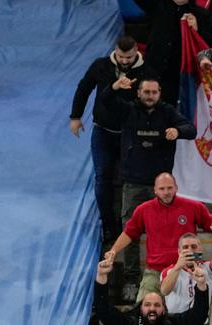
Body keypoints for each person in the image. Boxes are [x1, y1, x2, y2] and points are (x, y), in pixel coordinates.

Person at [99, 79, 194, 294]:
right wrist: (113, 86)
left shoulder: (168, 112)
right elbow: (105, 102)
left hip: (159, 187)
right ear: (139, 93)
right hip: (133, 183)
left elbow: (192, 129)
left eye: (154, 92)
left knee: (164, 232)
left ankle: (172, 272)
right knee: (130, 233)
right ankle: (132, 280)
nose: (150, 95)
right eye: (146, 92)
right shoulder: (128, 109)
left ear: (160, 93)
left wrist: (178, 131)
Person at [70, 35, 153, 240]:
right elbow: (84, 88)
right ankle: (108, 225)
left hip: (130, 134)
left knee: (132, 180)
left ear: (136, 52)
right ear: (115, 51)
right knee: (102, 177)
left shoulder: (146, 70)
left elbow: (154, 97)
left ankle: (131, 225)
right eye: (122, 57)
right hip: (103, 131)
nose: (125, 61)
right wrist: (75, 116)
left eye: (129, 57)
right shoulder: (101, 66)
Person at [106, 173, 212, 300]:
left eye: (169, 188)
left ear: (176, 188)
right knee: (141, 311)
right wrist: (113, 250)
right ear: (155, 190)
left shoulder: (194, 206)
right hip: (155, 272)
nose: (166, 192)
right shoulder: (143, 209)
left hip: (186, 270)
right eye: (162, 189)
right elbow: (129, 232)